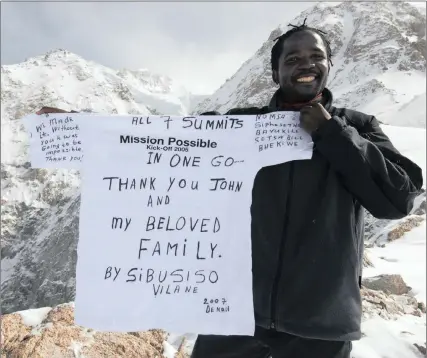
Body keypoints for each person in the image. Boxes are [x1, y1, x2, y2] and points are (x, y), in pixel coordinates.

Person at [37, 20, 423, 358]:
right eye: (292, 58)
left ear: (329, 65)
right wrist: (84, 129)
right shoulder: (238, 127)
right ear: (274, 72)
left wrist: (332, 134)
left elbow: (397, 199)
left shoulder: (357, 126)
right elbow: (160, 145)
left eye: (316, 56)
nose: (306, 64)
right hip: (232, 314)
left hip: (320, 320)